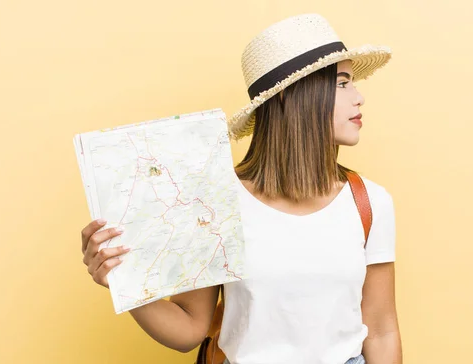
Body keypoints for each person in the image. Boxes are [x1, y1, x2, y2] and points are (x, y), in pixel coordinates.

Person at [80, 13, 402, 364]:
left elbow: (382, 329)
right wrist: (121, 282)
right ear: (288, 96)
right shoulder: (217, 202)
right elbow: (189, 329)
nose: (359, 97)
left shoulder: (368, 202)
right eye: (342, 83)